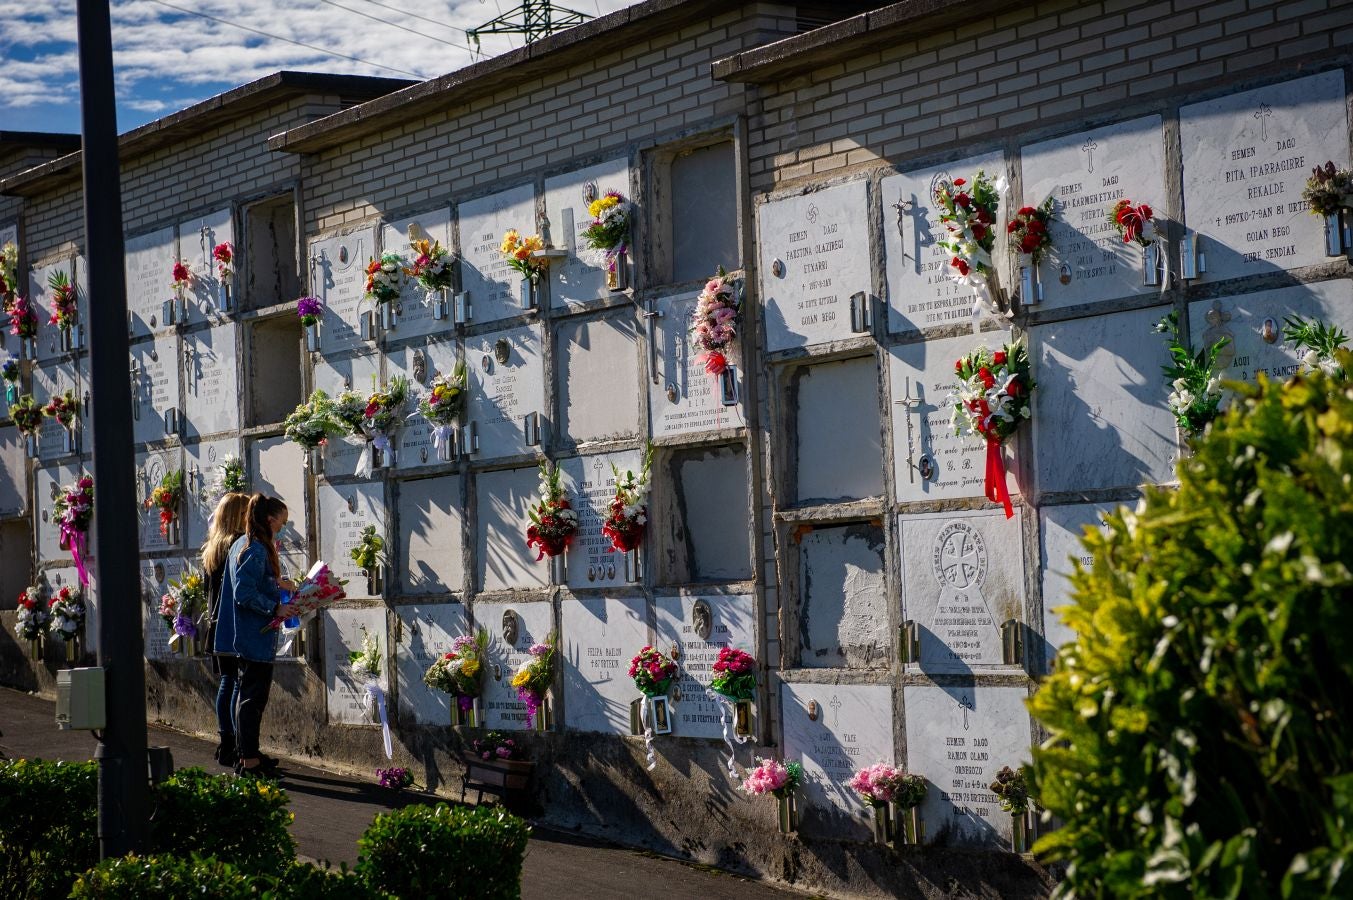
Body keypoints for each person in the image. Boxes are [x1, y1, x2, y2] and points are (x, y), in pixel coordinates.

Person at [219, 493, 297, 776]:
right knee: (252, 701)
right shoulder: (256, 548)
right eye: (282, 522)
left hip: (250, 636)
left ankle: (247, 756)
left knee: (249, 698)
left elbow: (252, 579)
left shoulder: (245, 543)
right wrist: (274, 607)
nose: (284, 527)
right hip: (254, 636)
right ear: (269, 518)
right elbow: (243, 592)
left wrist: (277, 582)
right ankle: (249, 762)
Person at [202, 492, 250, 767]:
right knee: (235, 684)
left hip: (215, 624)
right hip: (231, 624)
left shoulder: (213, 546)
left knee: (226, 682)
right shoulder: (236, 544)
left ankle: (226, 741)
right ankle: (237, 745)